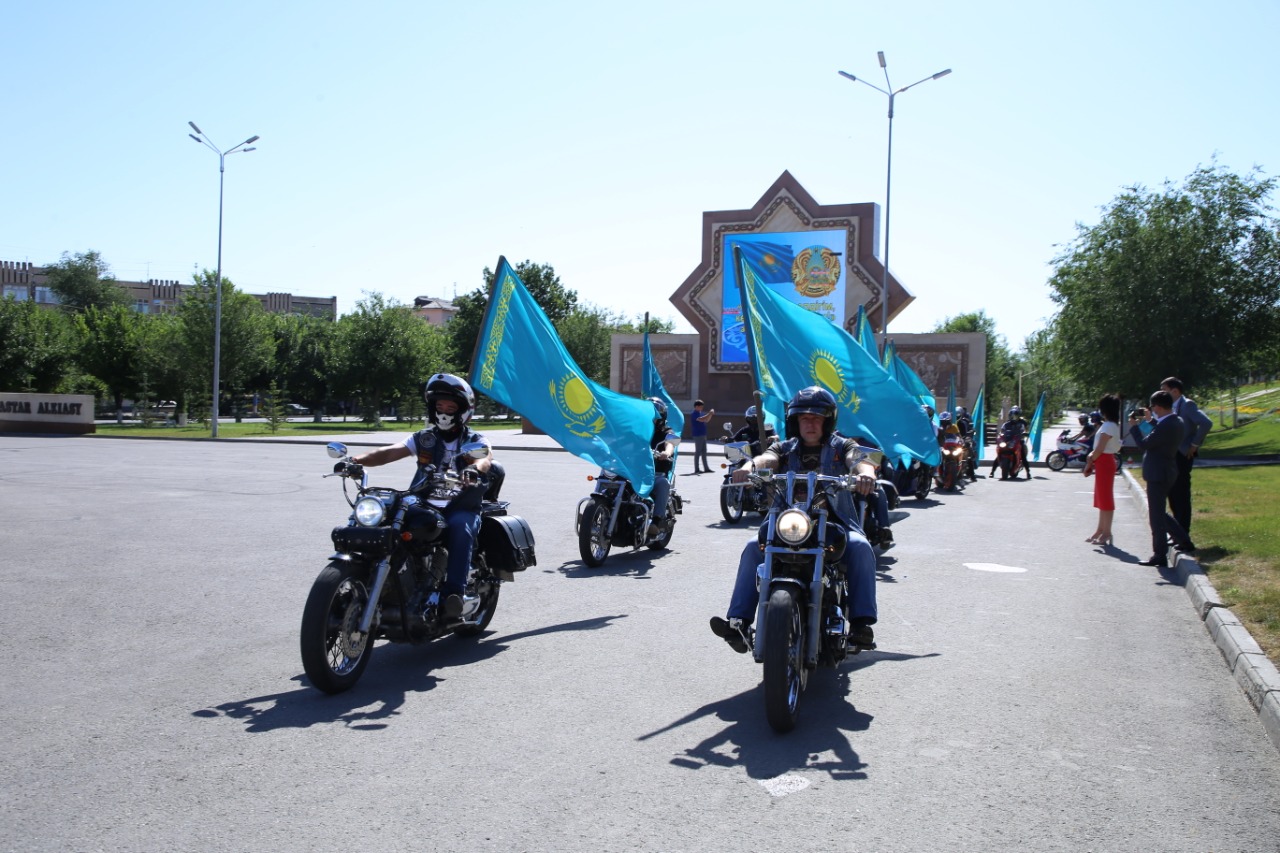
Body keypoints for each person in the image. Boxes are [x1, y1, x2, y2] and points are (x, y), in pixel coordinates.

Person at [708, 386, 881, 653]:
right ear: (794, 421)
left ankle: (861, 624)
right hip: (788, 522)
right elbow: (767, 458)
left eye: (816, 418)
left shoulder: (841, 446)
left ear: (827, 421)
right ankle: (739, 622)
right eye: (804, 418)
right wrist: (748, 467)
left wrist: (865, 473)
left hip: (834, 522)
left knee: (860, 547)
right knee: (754, 546)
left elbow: (859, 458)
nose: (810, 423)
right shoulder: (785, 448)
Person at [342, 373, 493, 619]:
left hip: (460, 505)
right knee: (387, 517)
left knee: (460, 528)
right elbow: (390, 452)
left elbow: (485, 458)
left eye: (451, 407)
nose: (444, 411)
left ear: (463, 410)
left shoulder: (475, 439)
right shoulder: (424, 438)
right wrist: (356, 461)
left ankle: (454, 595)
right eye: (439, 405)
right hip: (424, 501)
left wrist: (473, 470)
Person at [1129, 390, 1195, 567]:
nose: (1152, 410)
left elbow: (1145, 444)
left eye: (1153, 407)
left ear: (1158, 406)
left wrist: (1134, 427)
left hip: (1159, 472)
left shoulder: (1167, 425)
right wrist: (1148, 422)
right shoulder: (1174, 421)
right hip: (1165, 470)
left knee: (1156, 517)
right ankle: (1184, 541)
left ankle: (1159, 555)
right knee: (1159, 512)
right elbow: (1155, 436)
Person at [1161, 376, 1212, 534]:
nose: (1161, 395)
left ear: (1175, 391)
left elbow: (1206, 423)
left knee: (1181, 493)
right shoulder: (1168, 407)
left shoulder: (1187, 404)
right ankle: (1176, 531)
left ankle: (1183, 532)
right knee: (1171, 493)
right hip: (1170, 454)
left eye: (1164, 391)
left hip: (1182, 455)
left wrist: (1194, 444)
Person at [1083, 394, 1122, 545]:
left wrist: (1090, 460)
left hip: (1104, 461)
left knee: (1105, 497)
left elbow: (1100, 448)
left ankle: (1107, 532)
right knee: (1101, 497)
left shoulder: (1109, 426)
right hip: (1103, 462)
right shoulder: (1109, 425)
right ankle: (1100, 529)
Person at [648, 398, 679, 535]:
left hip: (656, 472)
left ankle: (657, 520)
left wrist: (666, 452)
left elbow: (671, 442)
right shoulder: (637, 429)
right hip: (636, 471)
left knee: (662, 484)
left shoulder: (668, 431)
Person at [990, 405, 1029, 476]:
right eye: (1012, 415)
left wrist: (1024, 433)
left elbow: (1025, 429)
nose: (1013, 417)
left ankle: (1028, 473)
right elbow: (1002, 431)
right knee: (999, 452)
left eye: (1015, 415)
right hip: (1008, 440)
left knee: (1023, 454)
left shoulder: (1022, 423)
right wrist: (1000, 435)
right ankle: (992, 471)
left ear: (1019, 415)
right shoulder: (1007, 424)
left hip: (1018, 440)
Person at [688, 399, 715, 474]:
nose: (702, 408)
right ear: (696, 406)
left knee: (704, 452)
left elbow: (706, 420)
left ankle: (706, 468)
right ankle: (696, 469)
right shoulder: (694, 414)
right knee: (698, 452)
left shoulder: (700, 413)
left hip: (703, 434)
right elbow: (701, 419)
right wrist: (709, 413)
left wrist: (710, 415)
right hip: (697, 435)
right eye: (701, 407)